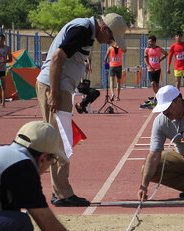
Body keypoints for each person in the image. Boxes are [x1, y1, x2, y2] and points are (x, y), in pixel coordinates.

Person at [36, 13, 127, 207]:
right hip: (56, 88)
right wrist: (53, 93)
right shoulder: (82, 30)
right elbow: (57, 57)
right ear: (104, 28)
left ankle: (60, 191)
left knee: (60, 140)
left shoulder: (87, 31)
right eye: (111, 38)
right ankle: (61, 194)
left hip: (61, 88)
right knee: (61, 141)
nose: (109, 43)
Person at [167, 30, 184, 100]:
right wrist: (168, 67)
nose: (178, 37)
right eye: (177, 36)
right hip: (177, 68)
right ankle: (177, 98)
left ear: (181, 37)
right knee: (177, 84)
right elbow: (170, 56)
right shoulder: (173, 46)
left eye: (179, 36)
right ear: (175, 37)